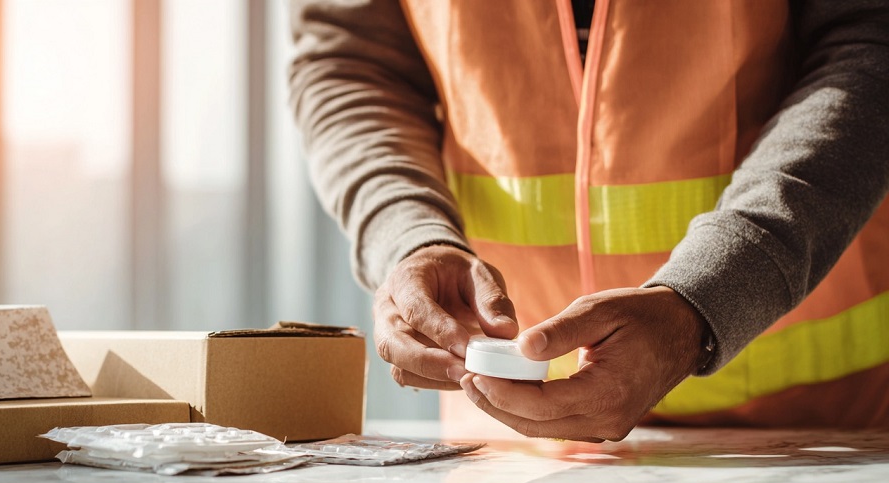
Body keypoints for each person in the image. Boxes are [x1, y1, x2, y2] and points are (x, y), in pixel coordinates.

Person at [288, 0, 889, 441]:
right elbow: (351, 63)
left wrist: (707, 299)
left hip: (809, 445)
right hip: (512, 451)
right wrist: (409, 235)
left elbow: (871, 41)